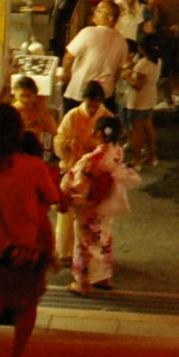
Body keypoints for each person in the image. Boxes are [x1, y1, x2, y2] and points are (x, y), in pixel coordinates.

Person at [0, 101, 62, 357]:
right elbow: (53, 197)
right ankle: (16, 356)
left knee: (3, 285)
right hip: (24, 243)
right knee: (29, 300)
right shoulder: (31, 166)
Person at [63, 116, 138, 294]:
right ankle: (104, 277)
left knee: (85, 242)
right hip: (106, 203)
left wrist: (68, 179)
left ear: (97, 133)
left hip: (90, 205)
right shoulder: (117, 152)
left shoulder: (92, 158)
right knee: (102, 239)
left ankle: (83, 283)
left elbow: (78, 182)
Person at [51, 82, 109, 263]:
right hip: (72, 170)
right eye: (90, 104)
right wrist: (68, 145)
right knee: (67, 215)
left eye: (96, 104)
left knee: (91, 217)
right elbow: (59, 138)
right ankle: (66, 252)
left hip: (93, 175)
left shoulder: (106, 117)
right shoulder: (72, 116)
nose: (93, 108)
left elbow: (109, 145)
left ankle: (89, 253)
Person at [62, 1, 128, 107]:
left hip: (80, 91)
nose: (94, 12)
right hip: (105, 94)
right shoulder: (122, 41)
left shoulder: (88, 32)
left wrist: (66, 74)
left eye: (99, 11)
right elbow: (118, 71)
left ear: (109, 18)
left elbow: (69, 57)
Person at [120, 47, 161, 169]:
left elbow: (137, 86)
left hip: (138, 101)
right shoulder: (157, 61)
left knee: (137, 130)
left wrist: (126, 77)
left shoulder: (143, 64)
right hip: (150, 98)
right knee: (148, 126)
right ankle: (152, 156)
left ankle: (137, 159)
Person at [10, 76, 58, 147]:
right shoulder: (11, 111)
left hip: (36, 148)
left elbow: (53, 130)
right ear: (15, 94)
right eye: (22, 96)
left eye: (29, 96)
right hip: (17, 148)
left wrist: (43, 111)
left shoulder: (39, 108)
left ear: (35, 95)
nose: (26, 100)